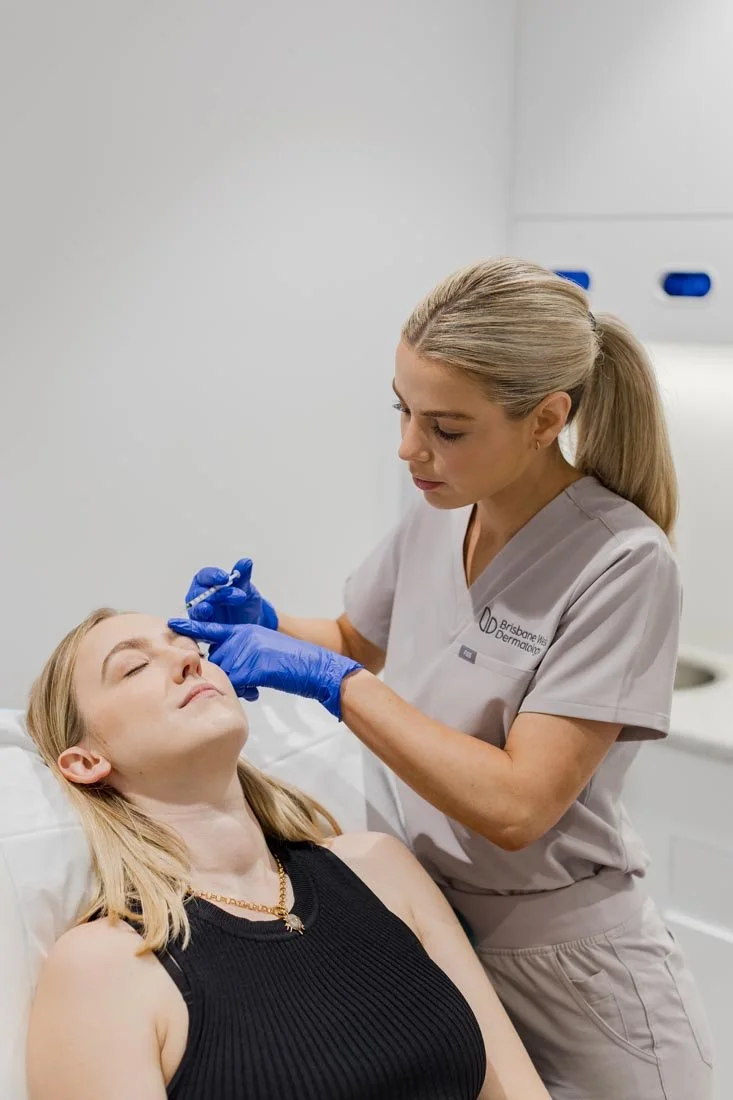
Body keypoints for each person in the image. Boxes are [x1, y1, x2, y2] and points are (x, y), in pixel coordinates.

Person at [175, 258, 713, 1100]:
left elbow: (516, 806)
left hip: (570, 966)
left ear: (545, 419)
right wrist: (268, 624)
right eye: (402, 410)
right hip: (435, 933)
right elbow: (356, 639)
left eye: (446, 427)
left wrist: (333, 681)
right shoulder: (442, 511)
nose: (408, 448)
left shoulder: (620, 562)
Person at [25, 608, 550, 1100]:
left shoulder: (378, 868)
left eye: (188, 645)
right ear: (85, 762)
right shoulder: (104, 967)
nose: (188, 659)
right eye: (135, 667)